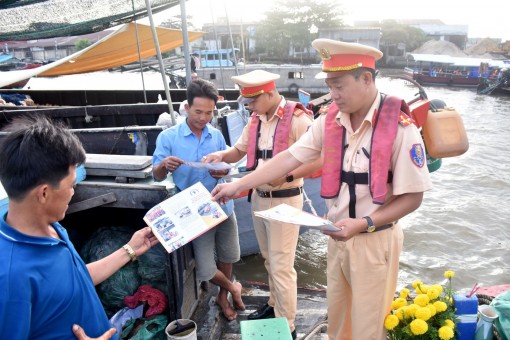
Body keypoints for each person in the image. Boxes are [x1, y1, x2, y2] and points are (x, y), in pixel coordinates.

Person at [210, 39, 432, 340]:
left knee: (370, 326)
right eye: (329, 85)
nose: (333, 94)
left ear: (366, 78)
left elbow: (412, 196)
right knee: (339, 321)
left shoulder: (400, 128)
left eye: (339, 85)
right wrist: (237, 184)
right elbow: (289, 157)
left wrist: (365, 223)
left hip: (374, 239)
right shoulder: (330, 121)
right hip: (336, 236)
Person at [0, 116, 159, 339]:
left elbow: (76, 277)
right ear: (44, 193)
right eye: (71, 185)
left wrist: (130, 249)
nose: (73, 192)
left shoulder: (51, 228)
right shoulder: (10, 278)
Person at [203, 69, 322, 339]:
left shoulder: (298, 119)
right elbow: (239, 151)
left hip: (286, 201)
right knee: (270, 260)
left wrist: (288, 175)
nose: (249, 106)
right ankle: (273, 306)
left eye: (253, 101)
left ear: (269, 93)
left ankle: (287, 325)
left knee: (282, 265)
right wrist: (220, 156)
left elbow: (321, 158)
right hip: (258, 198)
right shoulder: (255, 120)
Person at [152, 78, 245, 321]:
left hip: (221, 202)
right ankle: (233, 288)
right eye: (198, 111)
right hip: (192, 210)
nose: (204, 117)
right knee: (205, 268)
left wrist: (222, 171)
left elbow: (227, 165)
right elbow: (156, 174)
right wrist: (164, 164)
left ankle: (222, 298)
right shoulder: (169, 137)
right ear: (186, 108)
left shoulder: (215, 135)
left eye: (209, 112)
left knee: (229, 256)